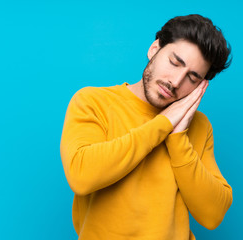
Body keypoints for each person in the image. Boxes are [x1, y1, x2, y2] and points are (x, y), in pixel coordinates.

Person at [60, 14, 233, 240]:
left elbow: (213, 214)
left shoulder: (199, 126)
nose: (176, 81)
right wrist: (163, 123)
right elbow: (81, 176)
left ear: (201, 86)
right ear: (154, 49)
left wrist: (178, 137)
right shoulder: (93, 102)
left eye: (192, 77)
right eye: (174, 62)